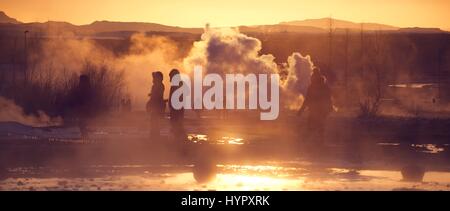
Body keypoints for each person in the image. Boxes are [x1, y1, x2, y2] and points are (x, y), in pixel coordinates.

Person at [298, 68, 333, 147]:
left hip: (319, 110)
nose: (312, 76)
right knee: (317, 126)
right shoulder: (320, 86)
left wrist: (301, 110)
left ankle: (315, 143)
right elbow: (308, 99)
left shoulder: (316, 86)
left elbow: (308, 99)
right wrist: (301, 110)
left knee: (314, 126)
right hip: (318, 110)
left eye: (314, 75)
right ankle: (316, 143)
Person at [68, 74, 94, 139]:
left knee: (82, 123)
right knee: (82, 123)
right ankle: (84, 136)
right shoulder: (86, 88)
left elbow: (84, 98)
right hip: (83, 109)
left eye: (81, 79)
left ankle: (85, 136)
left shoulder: (85, 88)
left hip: (84, 109)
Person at [168, 69, 186, 142]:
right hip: (176, 109)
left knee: (177, 125)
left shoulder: (179, 84)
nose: (170, 79)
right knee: (177, 125)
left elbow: (180, 97)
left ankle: (180, 141)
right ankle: (180, 140)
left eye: (171, 77)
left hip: (177, 109)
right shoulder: (179, 84)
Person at [147, 71, 165, 140]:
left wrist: (152, 96)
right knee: (154, 123)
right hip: (157, 107)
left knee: (155, 123)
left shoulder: (159, 86)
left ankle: (154, 139)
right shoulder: (159, 85)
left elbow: (157, 96)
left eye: (154, 77)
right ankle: (155, 138)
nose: (153, 79)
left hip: (156, 107)